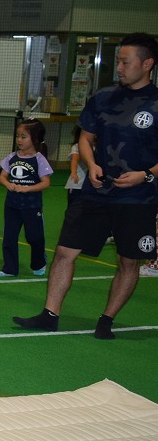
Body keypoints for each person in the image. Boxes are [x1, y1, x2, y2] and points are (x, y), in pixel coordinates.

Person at [15, 32, 158, 339]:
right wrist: (91, 164)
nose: (118, 67)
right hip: (95, 192)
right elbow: (85, 136)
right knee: (65, 251)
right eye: (117, 61)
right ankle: (49, 314)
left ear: (147, 64)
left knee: (128, 260)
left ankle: (106, 320)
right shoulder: (103, 98)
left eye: (125, 61)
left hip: (138, 197)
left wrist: (145, 174)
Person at [0, 118, 53, 278]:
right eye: (18, 136)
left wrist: (27, 189)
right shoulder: (12, 157)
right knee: (9, 237)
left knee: (34, 237)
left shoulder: (39, 159)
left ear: (35, 138)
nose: (19, 140)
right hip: (12, 205)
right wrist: (8, 184)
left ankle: (39, 262)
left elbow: (46, 182)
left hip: (32, 206)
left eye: (23, 136)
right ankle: (10, 268)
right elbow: (2, 177)